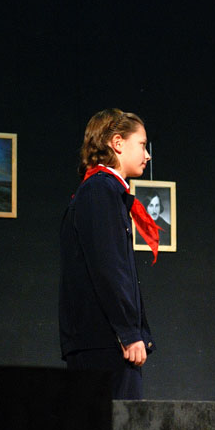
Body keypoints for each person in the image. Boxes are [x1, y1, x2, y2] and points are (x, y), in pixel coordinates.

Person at [59, 109, 158, 399]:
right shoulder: (99, 191)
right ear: (117, 143)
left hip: (103, 341)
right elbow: (109, 268)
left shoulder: (102, 191)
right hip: (105, 344)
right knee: (114, 425)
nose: (147, 155)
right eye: (142, 144)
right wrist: (129, 333)